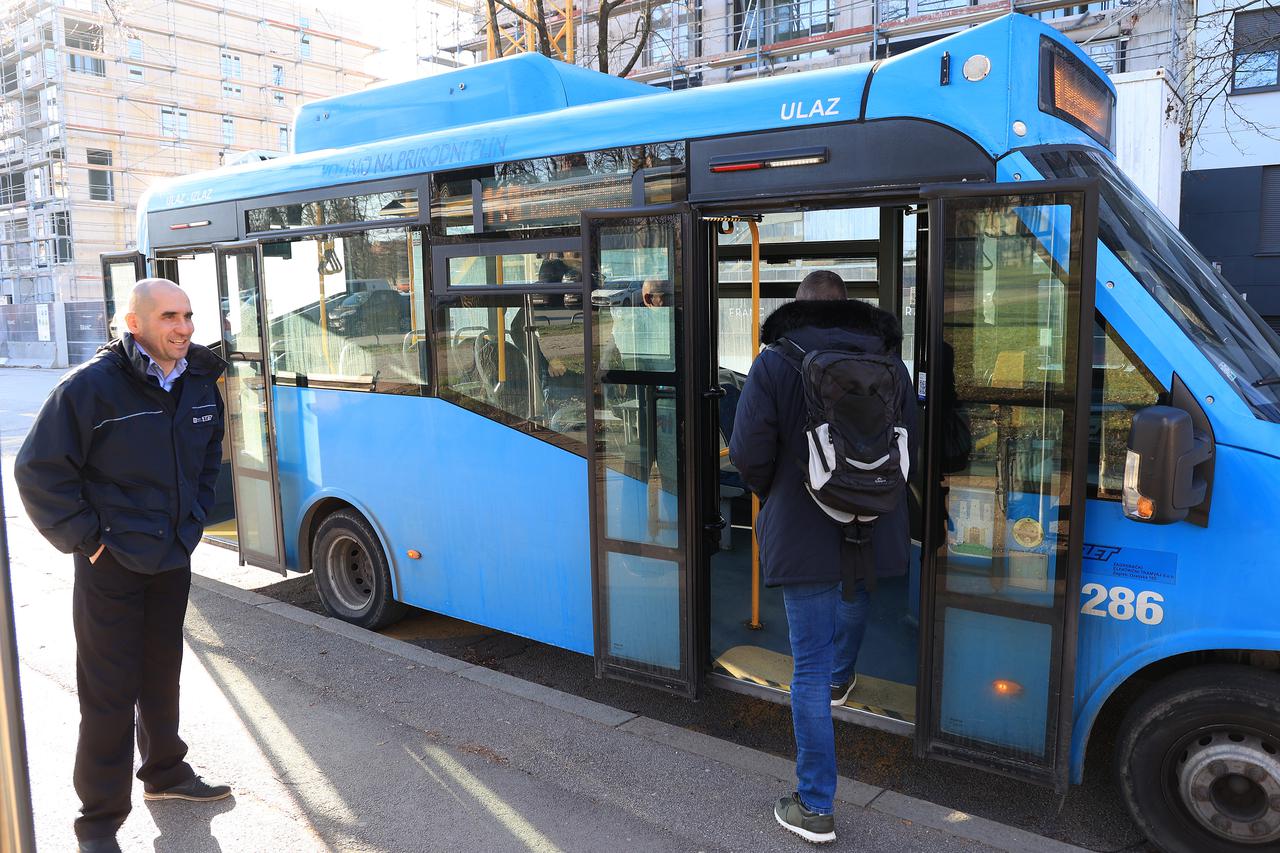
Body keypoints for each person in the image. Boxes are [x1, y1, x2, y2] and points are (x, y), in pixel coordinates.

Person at [15, 279, 232, 853]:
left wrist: (193, 522)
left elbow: (210, 455)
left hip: (171, 558)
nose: (184, 327)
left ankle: (166, 773)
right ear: (132, 324)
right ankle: (99, 824)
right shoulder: (91, 388)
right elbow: (38, 471)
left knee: (162, 677)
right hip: (109, 563)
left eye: (187, 315)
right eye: (169, 316)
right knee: (108, 694)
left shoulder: (200, 382)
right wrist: (90, 542)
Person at [729, 269, 917, 844]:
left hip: (805, 532)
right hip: (875, 521)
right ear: (848, 308)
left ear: (800, 309)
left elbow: (747, 452)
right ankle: (844, 675)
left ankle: (815, 805)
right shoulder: (890, 362)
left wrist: (781, 493)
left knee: (802, 670)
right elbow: (912, 435)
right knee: (856, 594)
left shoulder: (775, 362)